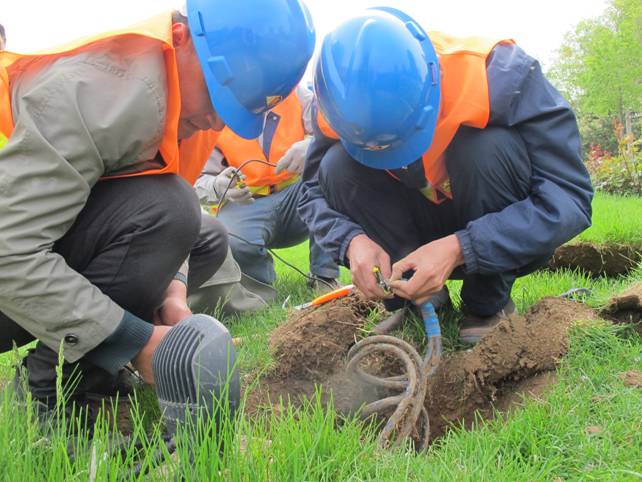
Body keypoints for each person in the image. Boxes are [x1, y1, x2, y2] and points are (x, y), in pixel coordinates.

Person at [0, 0, 315, 412]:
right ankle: (54, 391)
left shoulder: (191, 101)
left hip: (55, 244)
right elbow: (9, 252)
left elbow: (171, 224)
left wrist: (174, 297)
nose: (216, 123)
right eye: (218, 97)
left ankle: (89, 359)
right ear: (181, 38)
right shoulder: (97, 93)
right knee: (174, 210)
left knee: (205, 234)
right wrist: (134, 341)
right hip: (12, 268)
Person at [299, 7, 593, 343]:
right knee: (336, 167)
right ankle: (415, 300)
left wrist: (462, 247)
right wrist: (351, 241)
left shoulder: (499, 74)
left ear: (433, 80)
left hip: (488, 224)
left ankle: (486, 304)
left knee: (486, 147)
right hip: (409, 226)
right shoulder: (336, 105)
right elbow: (310, 194)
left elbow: (570, 198)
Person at [195, 84, 339, 292]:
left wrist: (312, 146)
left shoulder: (295, 92)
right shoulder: (216, 110)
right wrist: (218, 186)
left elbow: (335, 131)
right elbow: (198, 180)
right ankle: (261, 287)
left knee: (331, 171)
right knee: (228, 235)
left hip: (299, 198)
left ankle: (324, 277)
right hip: (246, 204)